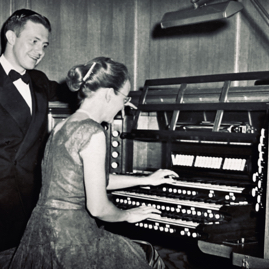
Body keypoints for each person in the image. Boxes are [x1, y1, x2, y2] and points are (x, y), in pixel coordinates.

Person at [9, 57, 178, 269]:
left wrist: (146, 180)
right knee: (147, 256)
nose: (123, 108)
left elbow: (92, 181)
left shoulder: (61, 127)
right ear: (109, 94)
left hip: (40, 234)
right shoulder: (93, 132)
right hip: (72, 240)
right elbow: (98, 208)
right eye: (124, 99)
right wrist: (128, 215)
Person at [0, 8, 65, 258]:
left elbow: (75, 90)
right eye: (34, 41)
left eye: (45, 45)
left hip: (32, 200)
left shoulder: (39, 80)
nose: (40, 52)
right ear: (11, 37)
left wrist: (114, 95)